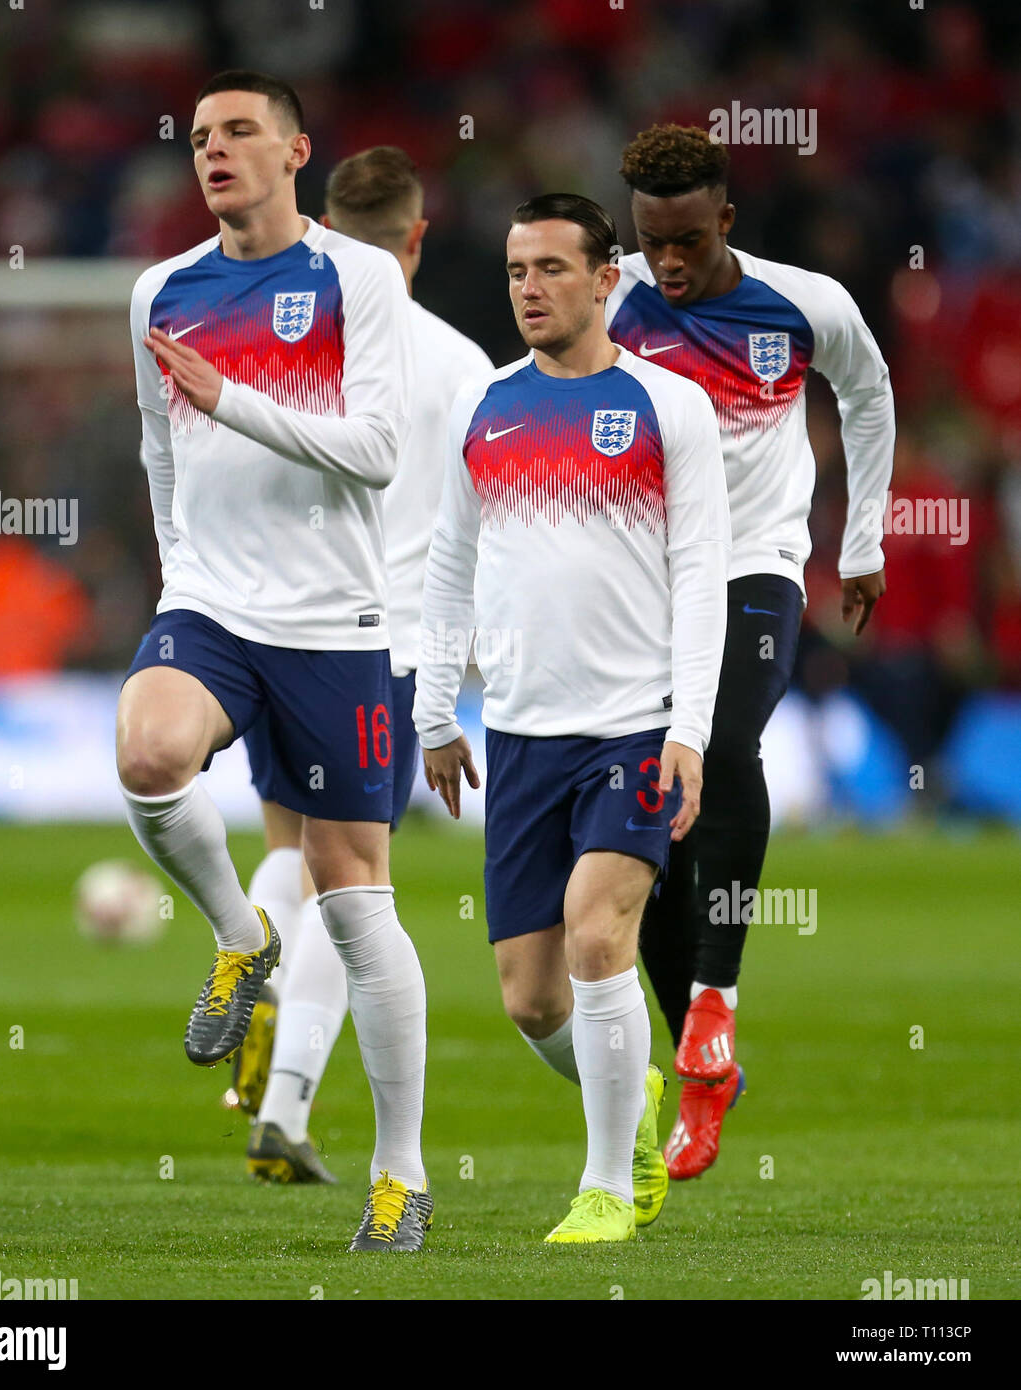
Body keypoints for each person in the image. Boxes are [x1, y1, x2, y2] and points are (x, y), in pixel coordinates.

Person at [118, 70, 430, 1252]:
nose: (215, 149)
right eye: (199, 136)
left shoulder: (352, 277)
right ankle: (240, 938)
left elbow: (379, 452)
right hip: (210, 603)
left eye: (240, 130)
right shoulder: (163, 287)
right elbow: (159, 447)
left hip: (336, 624)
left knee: (356, 903)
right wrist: (174, 576)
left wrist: (235, 400)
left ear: (296, 150)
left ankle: (398, 1174)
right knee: (149, 754)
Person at [414, 193, 730, 1243]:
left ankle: (602, 1185)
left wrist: (688, 727)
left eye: (551, 268)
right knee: (529, 998)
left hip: (633, 728)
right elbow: (449, 566)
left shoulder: (665, 405)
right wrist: (432, 710)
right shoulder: (482, 407)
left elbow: (701, 580)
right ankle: (631, 1092)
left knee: (600, 933)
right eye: (515, 270)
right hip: (521, 734)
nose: (529, 288)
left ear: (606, 280)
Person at [607, 124, 894, 1179]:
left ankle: (716, 998)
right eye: (651, 240)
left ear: (723, 220)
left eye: (685, 239)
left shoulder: (803, 305)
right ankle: (699, 1060)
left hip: (754, 568)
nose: (668, 262)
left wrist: (858, 540)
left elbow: (865, 394)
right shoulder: (607, 299)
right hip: (637, 579)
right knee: (642, 819)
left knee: (721, 750)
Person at [234, 146, 492, 1187]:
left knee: (292, 854)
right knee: (356, 886)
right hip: (383, 650)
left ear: (327, 228)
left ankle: (239, 962)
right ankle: (286, 1105)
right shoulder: (462, 364)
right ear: (417, 236)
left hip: (272, 628)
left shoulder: (287, 346)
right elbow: (491, 525)